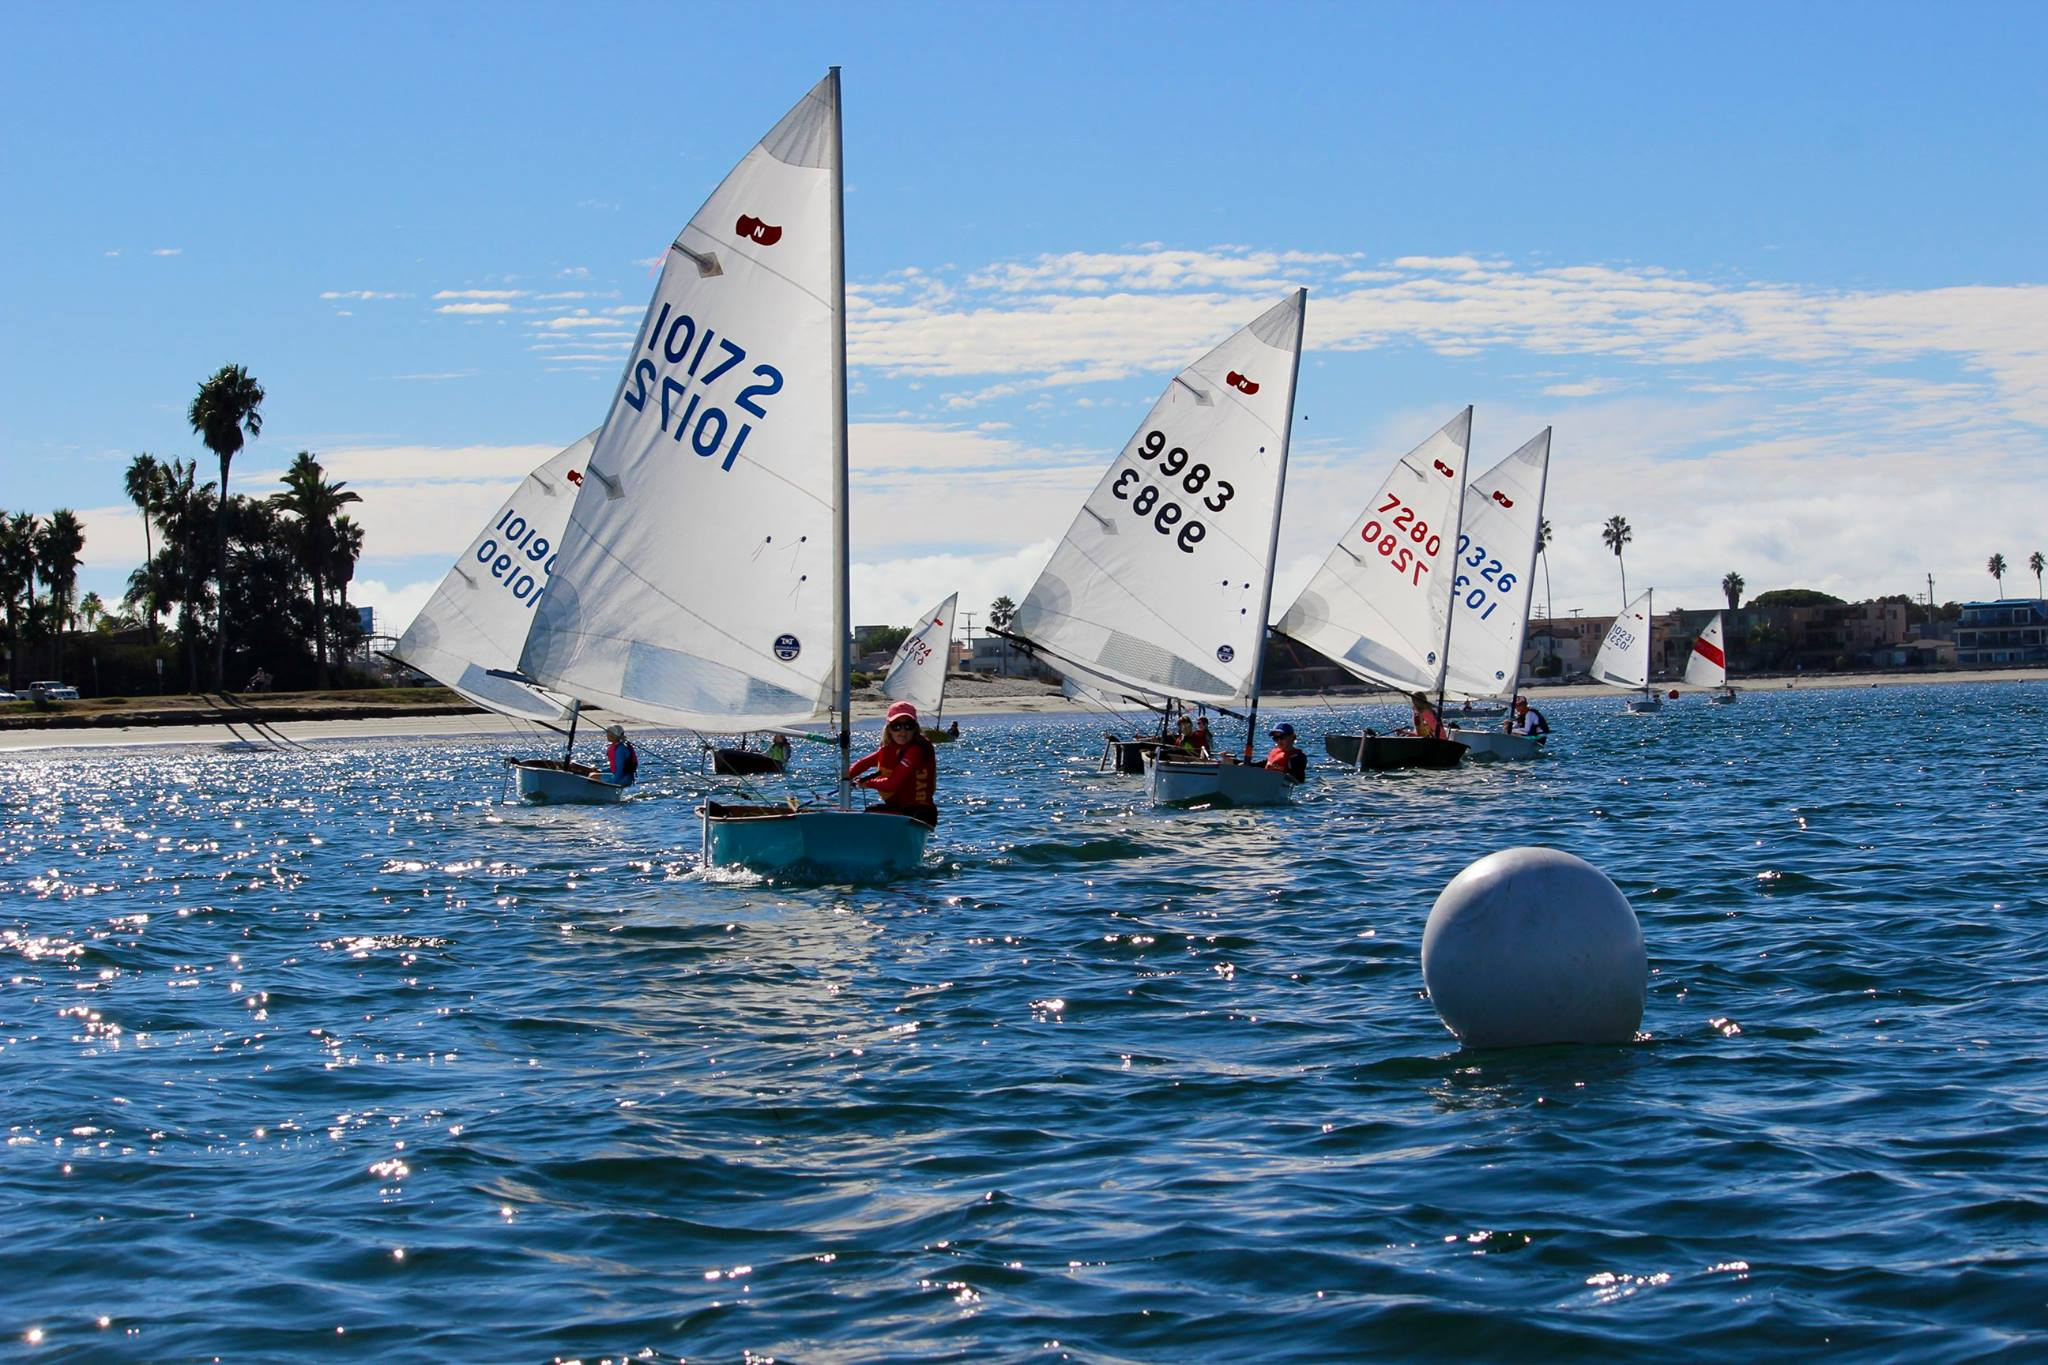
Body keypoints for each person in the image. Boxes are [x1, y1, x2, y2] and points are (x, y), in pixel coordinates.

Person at [849, 701, 939, 827]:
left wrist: (866, 783)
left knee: (871, 816)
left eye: (908, 726)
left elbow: (892, 785)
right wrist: (845, 778)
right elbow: (861, 764)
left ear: (915, 729)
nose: (902, 731)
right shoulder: (890, 749)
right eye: (896, 726)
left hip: (920, 813)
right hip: (900, 809)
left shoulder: (916, 750)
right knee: (869, 814)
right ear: (889, 729)